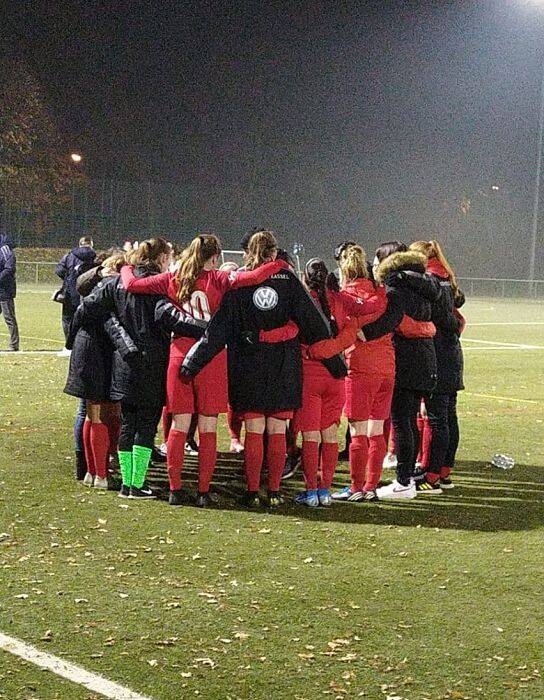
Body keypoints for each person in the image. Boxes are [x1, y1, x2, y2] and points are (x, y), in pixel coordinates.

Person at [181, 230, 347, 508]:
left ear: (248, 253)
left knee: (254, 429)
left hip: (248, 363)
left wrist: (193, 361)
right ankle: (274, 491)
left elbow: (218, 328)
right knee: (277, 429)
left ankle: (251, 491)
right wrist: (327, 357)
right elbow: (315, 324)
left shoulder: (239, 282)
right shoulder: (289, 280)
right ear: (273, 252)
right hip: (284, 365)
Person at [120, 233, 284, 507]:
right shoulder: (219, 278)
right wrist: (278, 264)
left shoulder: (173, 278)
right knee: (208, 426)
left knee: (179, 425)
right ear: (215, 257)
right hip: (212, 357)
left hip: (179, 355)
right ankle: (203, 492)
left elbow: (132, 284)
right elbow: (253, 277)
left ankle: (175, 490)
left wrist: (126, 265)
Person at [69, 238, 205, 499]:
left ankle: (126, 484)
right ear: (162, 259)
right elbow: (171, 317)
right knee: (146, 426)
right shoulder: (156, 286)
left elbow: (88, 306)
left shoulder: (119, 283)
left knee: (128, 424)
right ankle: (138, 483)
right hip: (151, 364)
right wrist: (208, 329)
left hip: (124, 364)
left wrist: (75, 338)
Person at [293, 258, 376, 507]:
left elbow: (293, 333)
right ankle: (325, 491)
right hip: (336, 376)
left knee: (310, 435)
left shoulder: (301, 301)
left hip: (309, 374)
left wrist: (315, 351)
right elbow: (355, 325)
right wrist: (334, 347)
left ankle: (311, 492)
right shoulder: (340, 300)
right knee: (329, 434)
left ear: (305, 278)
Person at [409, 240, 465, 490]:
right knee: (448, 417)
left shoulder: (430, 281)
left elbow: (443, 318)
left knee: (437, 419)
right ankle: (443, 472)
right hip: (452, 354)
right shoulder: (446, 277)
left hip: (438, 355)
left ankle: (431, 477)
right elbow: (457, 317)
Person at [55, 236, 96, 354]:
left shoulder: (69, 255)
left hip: (70, 292)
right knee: (86, 319)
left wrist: (68, 278)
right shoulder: (95, 256)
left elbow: (59, 270)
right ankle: (85, 346)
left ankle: (69, 346)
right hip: (88, 292)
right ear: (91, 244)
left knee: (67, 319)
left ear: (80, 244)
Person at [0, 234, 19, 352]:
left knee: (9, 318)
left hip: (4, 291)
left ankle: (14, 344)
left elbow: (9, 268)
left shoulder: (5, 250)